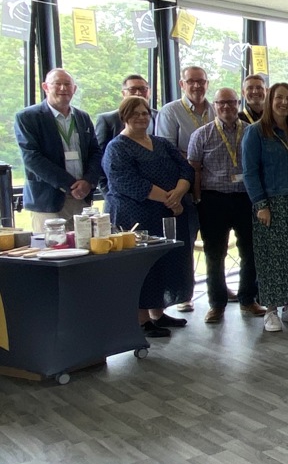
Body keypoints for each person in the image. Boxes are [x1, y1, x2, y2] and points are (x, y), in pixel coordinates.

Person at [102, 96, 194, 338]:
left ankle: (158, 313)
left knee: (165, 263)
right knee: (144, 267)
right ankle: (141, 321)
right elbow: (129, 182)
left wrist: (180, 192)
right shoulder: (117, 148)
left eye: (145, 113)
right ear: (124, 117)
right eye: (135, 114)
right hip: (137, 216)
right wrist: (170, 199)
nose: (142, 118)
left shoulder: (161, 143)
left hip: (169, 213)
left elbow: (186, 168)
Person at [187, 86, 266, 323]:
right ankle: (217, 304)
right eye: (221, 103)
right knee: (214, 254)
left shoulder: (253, 132)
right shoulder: (201, 134)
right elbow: (195, 170)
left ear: (238, 103)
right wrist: (198, 199)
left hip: (245, 198)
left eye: (231, 102)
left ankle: (248, 299)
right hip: (213, 200)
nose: (226, 107)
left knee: (250, 252)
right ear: (215, 105)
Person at [242, 83, 288, 332]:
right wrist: (261, 204)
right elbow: (250, 173)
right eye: (278, 98)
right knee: (272, 257)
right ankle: (271, 310)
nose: (283, 102)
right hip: (271, 203)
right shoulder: (255, 132)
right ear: (270, 101)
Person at [155, 64, 215, 312]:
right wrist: (195, 158)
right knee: (186, 242)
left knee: (215, 243)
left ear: (207, 83)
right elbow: (167, 150)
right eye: (191, 81)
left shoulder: (216, 109)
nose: (197, 86)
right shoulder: (170, 112)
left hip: (214, 186)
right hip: (186, 188)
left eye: (201, 81)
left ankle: (217, 290)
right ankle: (185, 294)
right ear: (182, 84)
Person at [14, 69, 102, 232]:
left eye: (68, 84)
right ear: (45, 87)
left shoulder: (82, 117)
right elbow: (32, 158)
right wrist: (70, 185)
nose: (63, 88)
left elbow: (95, 152)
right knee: (54, 250)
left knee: (86, 250)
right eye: (57, 84)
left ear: (74, 89)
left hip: (82, 199)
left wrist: (88, 182)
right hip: (48, 200)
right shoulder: (27, 117)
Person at [96, 74, 157, 196]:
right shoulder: (108, 120)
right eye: (133, 89)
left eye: (143, 89)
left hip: (156, 191)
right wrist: (107, 191)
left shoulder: (158, 116)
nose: (139, 93)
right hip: (120, 191)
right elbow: (99, 157)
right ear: (123, 93)